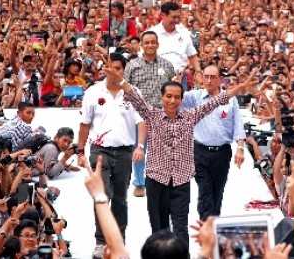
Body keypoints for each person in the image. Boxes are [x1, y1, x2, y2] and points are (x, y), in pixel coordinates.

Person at [106, 58, 252, 245]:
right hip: (156, 179)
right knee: (159, 229)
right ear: (162, 97)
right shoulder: (152, 115)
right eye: (168, 96)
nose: (173, 100)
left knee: (181, 227)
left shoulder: (191, 116)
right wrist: (118, 79)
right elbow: (134, 95)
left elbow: (216, 101)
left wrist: (239, 88)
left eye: (177, 97)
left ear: (183, 100)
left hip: (181, 181)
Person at [77, 53, 145, 258]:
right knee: (102, 194)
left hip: (124, 152)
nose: (114, 71)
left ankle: (119, 239)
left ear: (123, 70)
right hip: (100, 151)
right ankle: (100, 241)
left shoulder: (132, 92)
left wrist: (140, 146)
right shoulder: (93, 92)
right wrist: (80, 151)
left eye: (118, 68)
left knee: (120, 198)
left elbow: (141, 121)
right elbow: (84, 123)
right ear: (104, 69)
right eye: (110, 67)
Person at [181, 65, 246, 220]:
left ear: (219, 79)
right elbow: (176, 98)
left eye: (213, 77)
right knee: (205, 190)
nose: (209, 80)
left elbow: (238, 124)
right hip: (199, 151)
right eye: (206, 76)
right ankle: (205, 225)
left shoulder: (230, 99)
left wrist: (241, 148)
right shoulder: (194, 97)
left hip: (222, 152)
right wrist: (177, 82)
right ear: (201, 77)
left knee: (218, 190)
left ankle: (214, 224)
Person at [124, 30, 175, 197]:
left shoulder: (167, 65)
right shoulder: (132, 65)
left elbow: (174, 90)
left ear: (158, 44)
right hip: (140, 116)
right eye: (146, 42)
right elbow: (126, 89)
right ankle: (139, 183)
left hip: (162, 114)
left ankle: (161, 181)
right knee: (139, 149)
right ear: (141, 45)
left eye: (153, 42)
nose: (150, 45)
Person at [147, 2, 202, 90]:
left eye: (178, 17)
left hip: (180, 79)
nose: (176, 20)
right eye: (173, 17)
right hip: (157, 79)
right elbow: (145, 58)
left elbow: (192, 55)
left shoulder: (184, 32)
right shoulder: (152, 33)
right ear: (163, 15)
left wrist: (198, 71)